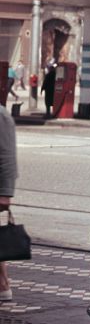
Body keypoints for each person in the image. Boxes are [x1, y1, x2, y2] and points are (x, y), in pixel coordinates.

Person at [0, 103, 18, 301]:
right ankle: (2, 285)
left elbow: (7, 157)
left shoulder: (1, 116)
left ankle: (3, 285)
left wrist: (5, 192)